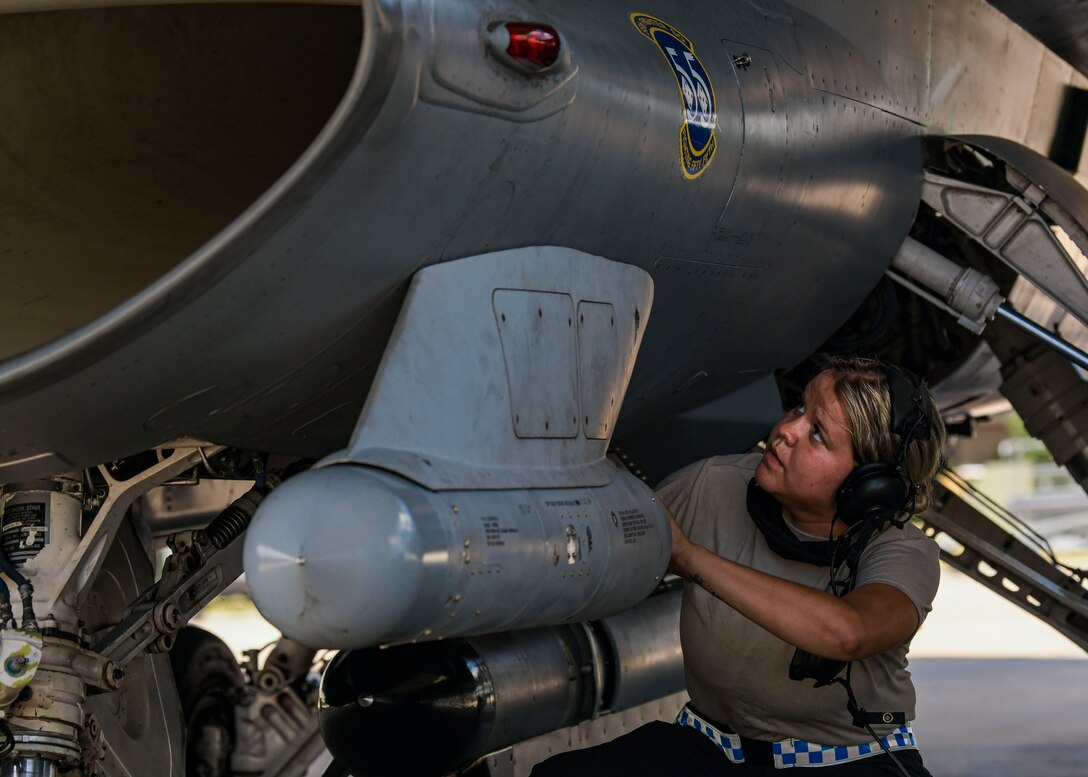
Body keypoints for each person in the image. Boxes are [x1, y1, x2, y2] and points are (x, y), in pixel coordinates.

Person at [531, 355, 947, 776]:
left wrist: (690, 557)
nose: (786, 430)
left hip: (847, 758)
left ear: (868, 485)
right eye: (800, 408)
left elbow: (848, 633)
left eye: (817, 435)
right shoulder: (714, 484)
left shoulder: (902, 551)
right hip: (712, 747)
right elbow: (609, 544)